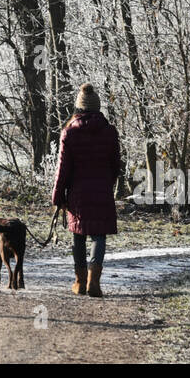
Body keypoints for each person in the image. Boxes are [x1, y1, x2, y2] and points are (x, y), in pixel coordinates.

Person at [51, 83, 121, 298]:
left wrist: (57, 195)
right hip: (101, 190)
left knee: (78, 236)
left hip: (77, 194)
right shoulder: (110, 131)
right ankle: (94, 281)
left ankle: (80, 282)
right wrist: (108, 182)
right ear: (98, 107)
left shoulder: (69, 132)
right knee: (99, 236)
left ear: (78, 108)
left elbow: (63, 167)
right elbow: (116, 164)